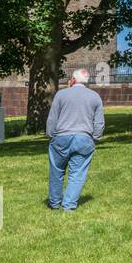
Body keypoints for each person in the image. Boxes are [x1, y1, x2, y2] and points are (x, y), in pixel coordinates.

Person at [46, 68, 105, 211]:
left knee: (57, 171)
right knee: (77, 173)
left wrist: (51, 134)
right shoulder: (95, 96)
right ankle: (69, 205)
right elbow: (99, 122)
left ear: (72, 79)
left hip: (61, 137)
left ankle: (54, 203)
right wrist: (95, 137)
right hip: (84, 138)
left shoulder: (61, 94)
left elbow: (52, 118)